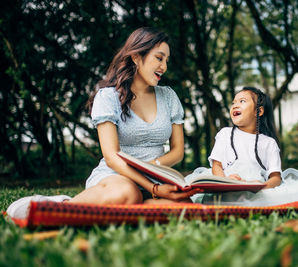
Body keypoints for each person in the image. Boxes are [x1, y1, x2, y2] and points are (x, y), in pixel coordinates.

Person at [7, 27, 201, 219]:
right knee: (127, 193)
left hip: (156, 176)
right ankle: (57, 205)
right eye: (159, 58)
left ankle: (133, 207)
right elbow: (111, 157)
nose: (164, 67)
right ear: (136, 57)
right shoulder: (108, 97)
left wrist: (151, 167)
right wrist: (154, 188)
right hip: (117, 176)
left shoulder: (168, 96)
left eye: (167, 60)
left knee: (184, 208)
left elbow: (177, 151)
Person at [186, 87, 298, 206]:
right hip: (225, 182)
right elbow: (217, 166)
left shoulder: (268, 143)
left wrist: (258, 186)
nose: (235, 105)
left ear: (258, 111)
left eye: (242, 101)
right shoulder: (225, 133)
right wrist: (225, 181)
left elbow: (275, 178)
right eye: (233, 102)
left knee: (287, 196)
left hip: (256, 187)